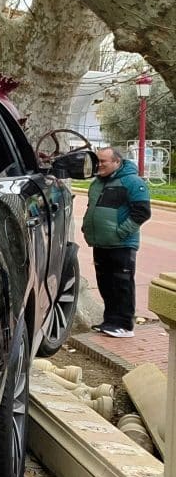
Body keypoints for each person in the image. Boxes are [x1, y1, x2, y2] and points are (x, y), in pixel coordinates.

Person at [82, 145, 153, 338]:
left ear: (117, 162)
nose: (99, 165)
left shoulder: (132, 182)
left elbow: (142, 212)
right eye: (98, 161)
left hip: (122, 245)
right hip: (101, 243)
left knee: (122, 284)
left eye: (103, 161)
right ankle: (110, 321)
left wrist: (121, 233)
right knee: (105, 283)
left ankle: (124, 325)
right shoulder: (96, 183)